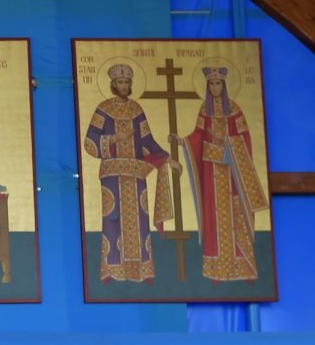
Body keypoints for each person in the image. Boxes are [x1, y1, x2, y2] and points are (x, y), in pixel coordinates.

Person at [83, 64, 181, 284]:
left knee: (140, 220)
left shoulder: (137, 110)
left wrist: (168, 159)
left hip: (136, 174)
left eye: (126, 82)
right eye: (120, 82)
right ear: (113, 84)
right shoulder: (103, 109)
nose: (124, 86)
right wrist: (113, 140)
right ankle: (111, 269)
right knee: (113, 218)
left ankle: (142, 270)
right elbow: (90, 141)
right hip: (112, 175)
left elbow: (147, 141)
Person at [171, 67, 269, 283]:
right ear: (207, 86)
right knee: (214, 217)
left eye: (218, 84)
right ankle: (217, 270)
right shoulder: (204, 109)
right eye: (211, 84)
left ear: (224, 85)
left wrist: (226, 140)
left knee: (236, 215)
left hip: (233, 171)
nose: (215, 88)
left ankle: (243, 267)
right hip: (211, 171)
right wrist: (183, 142)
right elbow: (198, 135)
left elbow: (245, 138)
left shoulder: (234, 109)